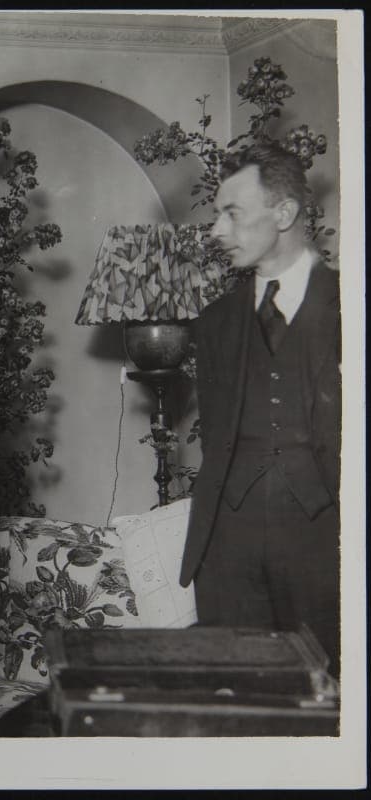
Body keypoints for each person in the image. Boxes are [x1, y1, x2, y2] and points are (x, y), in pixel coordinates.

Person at [179, 143, 341, 677]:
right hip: (228, 551)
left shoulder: (352, 303)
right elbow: (216, 436)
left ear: (285, 213)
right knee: (238, 697)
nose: (216, 231)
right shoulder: (216, 321)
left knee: (329, 698)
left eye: (232, 213)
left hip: (327, 546)